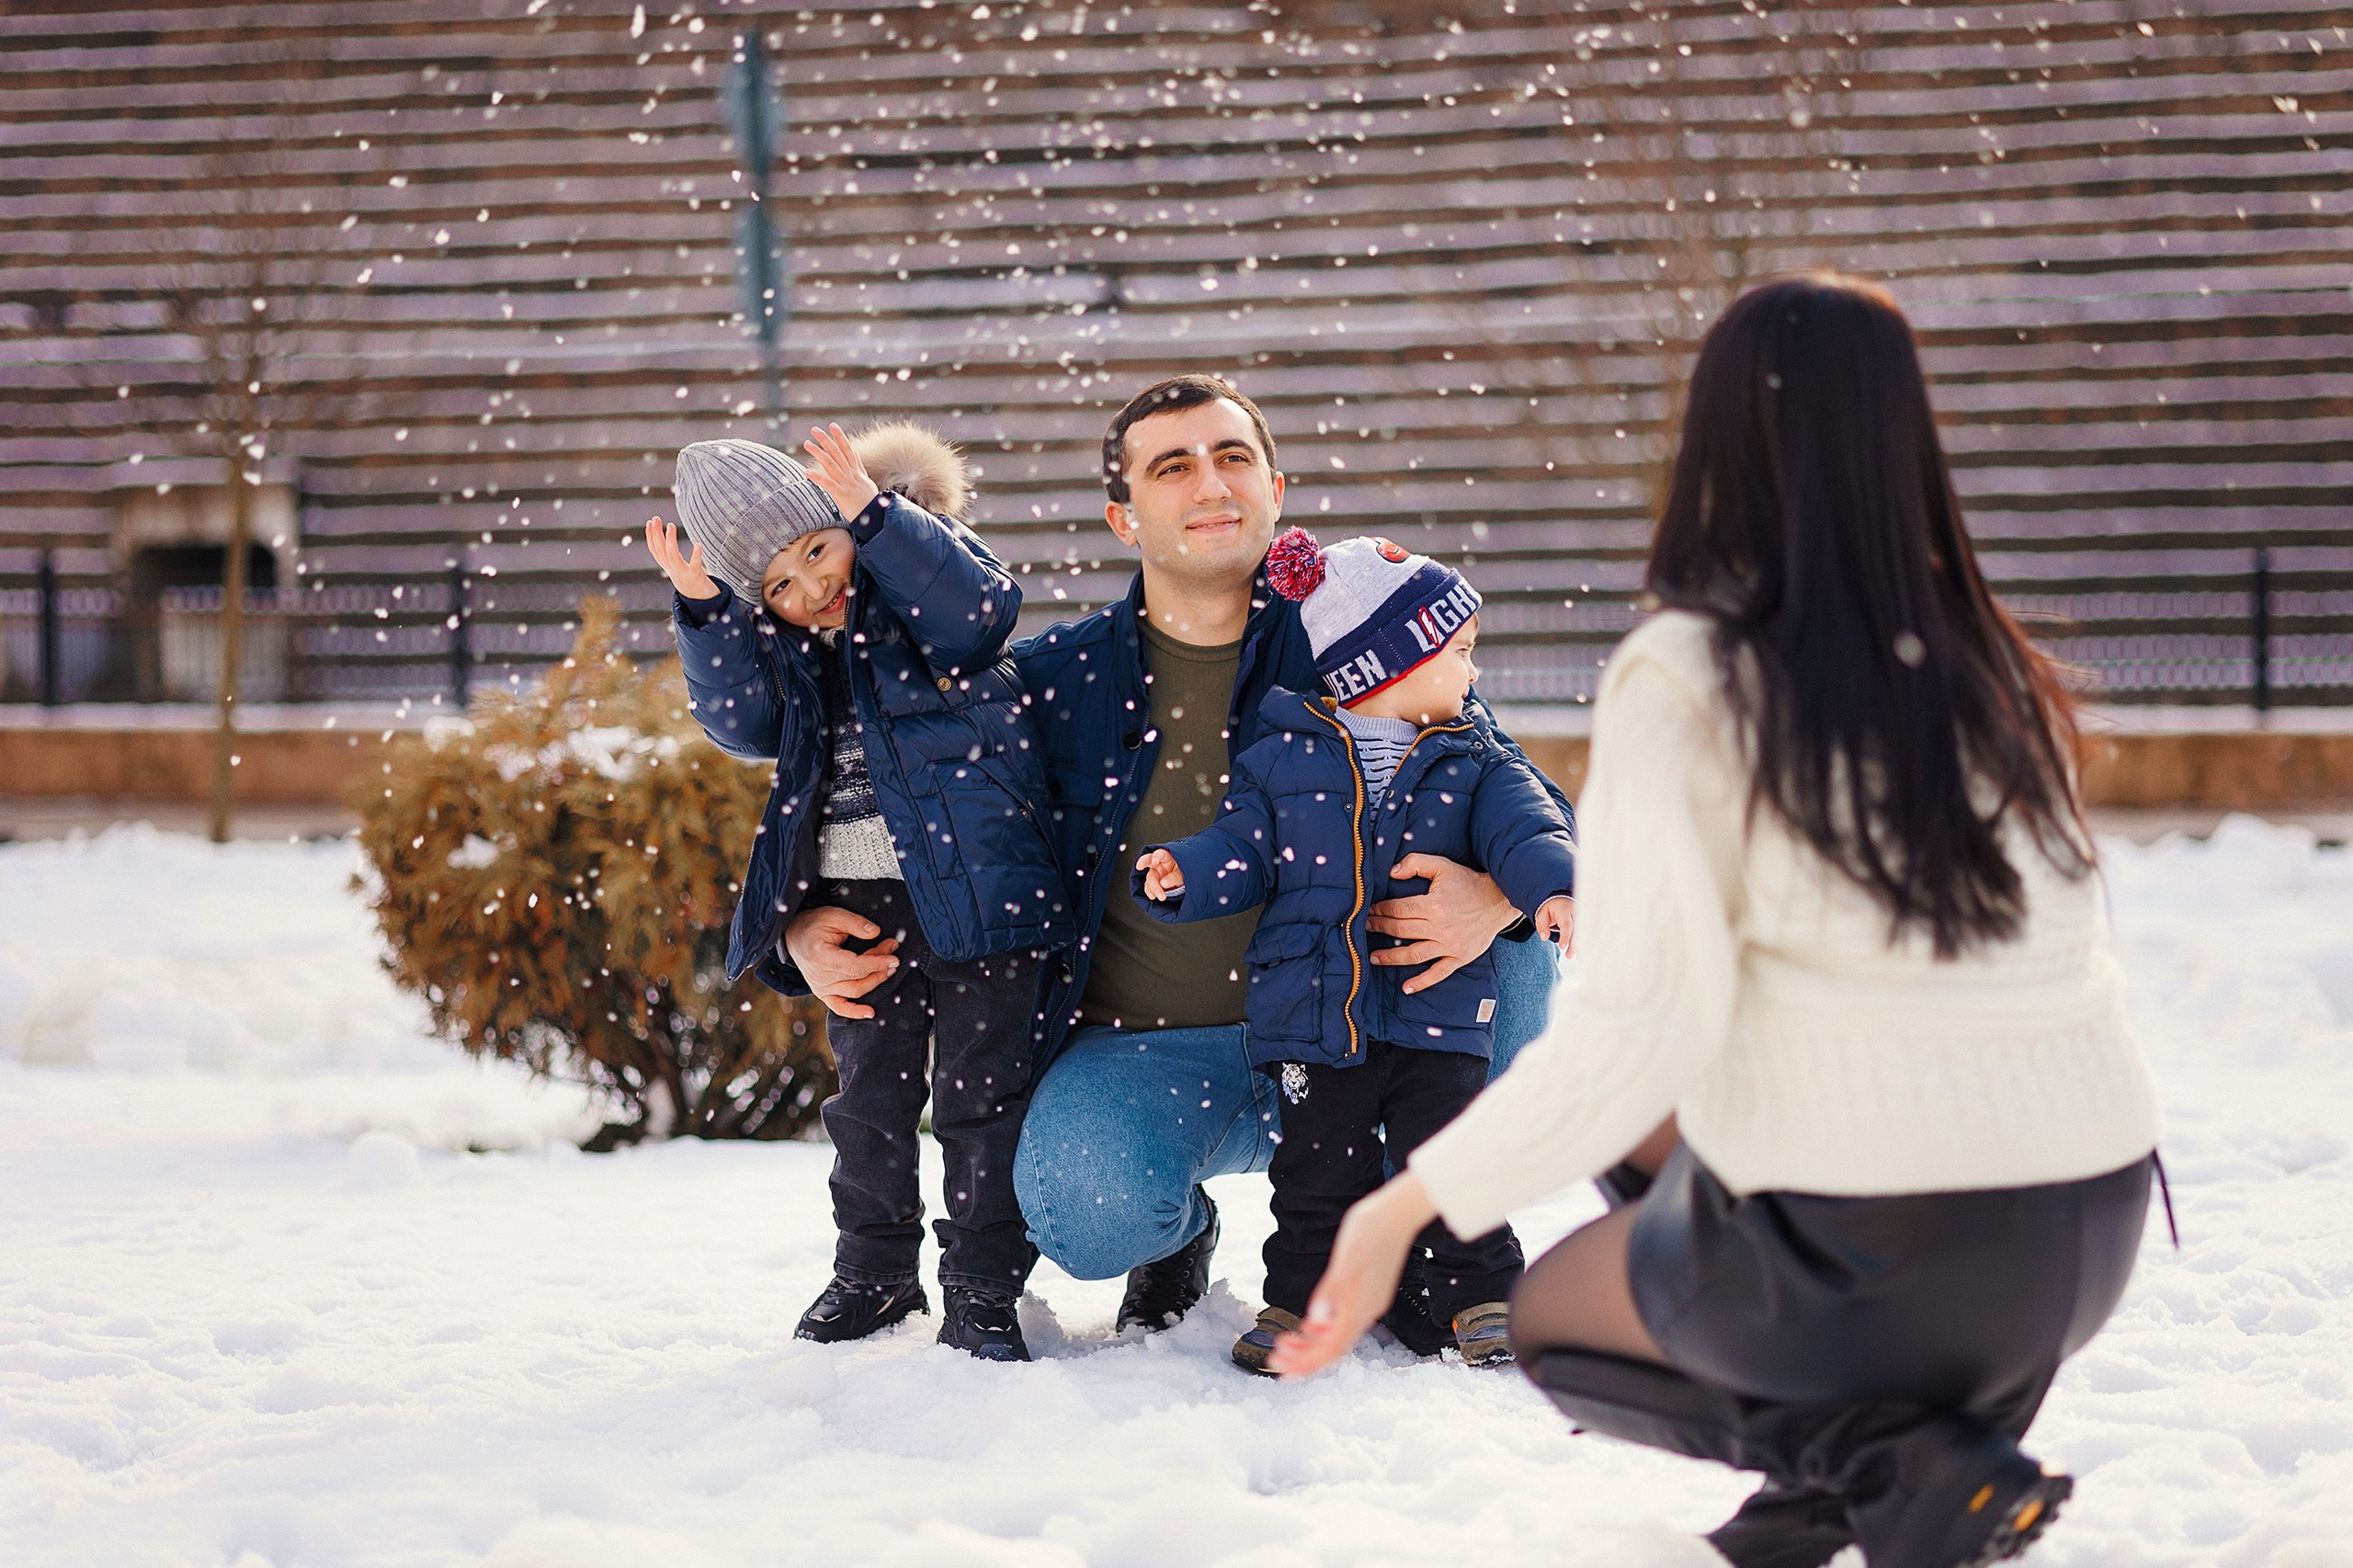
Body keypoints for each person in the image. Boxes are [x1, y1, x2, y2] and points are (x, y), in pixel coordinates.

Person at [1268, 275, 2165, 1568]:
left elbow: (1643, 1026)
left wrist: (1398, 1206)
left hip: (1900, 1238)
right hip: (2090, 1229)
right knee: (1665, 1130)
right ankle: (1856, 1487)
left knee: (1555, 1318)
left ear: (1721, 439)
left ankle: (1889, 1456)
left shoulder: (1694, 668)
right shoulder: (1996, 664)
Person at [779, 374, 1574, 1348]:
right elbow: (915, 806)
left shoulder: (1356, 645)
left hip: (1358, 1034)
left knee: (1522, 955)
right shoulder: (1054, 681)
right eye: (1172, 466)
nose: (1210, 482)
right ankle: (1180, 1230)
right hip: (1156, 1050)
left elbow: (1524, 797)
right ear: (1123, 517)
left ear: (1275, 490)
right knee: (1080, 1205)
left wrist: (1494, 899)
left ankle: (1420, 1225)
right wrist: (798, 924)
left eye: (1232, 456)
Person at [647, 422, 1072, 1363]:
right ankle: (874, 1269)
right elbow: (743, 724)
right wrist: (707, 612)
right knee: (868, 1103)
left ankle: (983, 1282)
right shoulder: (792, 656)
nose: (810, 588)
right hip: (859, 903)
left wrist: (879, 520)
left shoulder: (926, 598)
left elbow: (983, 610)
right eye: (777, 586)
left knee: (982, 1101)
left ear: (847, 519)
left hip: (978, 890)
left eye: (816, 549)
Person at [1133, 527, 1577, 1372]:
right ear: (1390, 666)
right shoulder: (1280, 762)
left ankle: (1483, 1296)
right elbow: (1243, 846)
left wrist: (1551, 887)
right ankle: (1303, 1305)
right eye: (1461, 652)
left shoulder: (1474, 758)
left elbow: (1530, 828)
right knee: (1316, 1175)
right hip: (1315, 1018)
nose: (1474, 673)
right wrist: (1187, 870)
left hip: (1438, 1010)